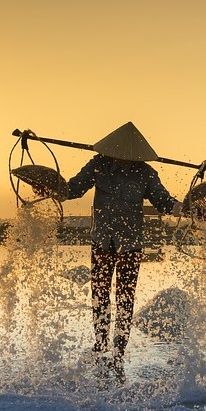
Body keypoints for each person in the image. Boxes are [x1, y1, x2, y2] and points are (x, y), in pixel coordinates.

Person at [66, 122, 182, 357]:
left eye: (127, 158)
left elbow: (164, 201)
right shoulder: (99, 164)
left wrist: (183, 207)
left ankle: (119, 348)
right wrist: (51, 187)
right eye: (119, 156)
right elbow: (73, 189)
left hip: (130, 244)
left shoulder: (146, 173)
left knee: (125, 297)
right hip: (101, 241)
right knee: (99, 294)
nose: (123, 160)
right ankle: (100, 344)